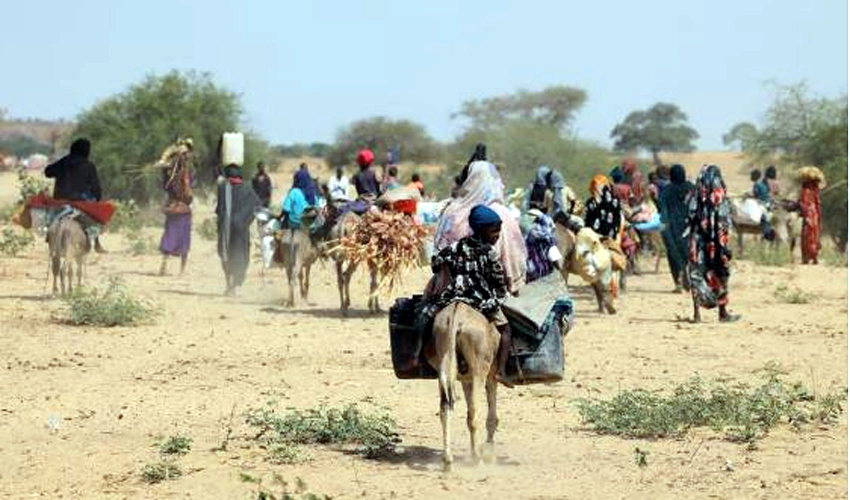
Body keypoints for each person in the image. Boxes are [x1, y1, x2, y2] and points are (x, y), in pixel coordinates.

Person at [424, 204, 515, 386]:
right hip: (480, 299)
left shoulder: (456, 246)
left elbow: (435, 263)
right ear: (482, 231)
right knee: (506, 330)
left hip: (452, 296)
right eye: (494, 232)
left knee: (424, 321)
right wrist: (499, 294)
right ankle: (502, 371)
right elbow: (498, 281)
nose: (497, 236)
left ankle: (420, 356)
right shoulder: (489, 252)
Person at [434, 160, 527, 293]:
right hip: (487, 293)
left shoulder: (451, 210)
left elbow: (438, 256)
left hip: (446, 288)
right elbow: (514, 259)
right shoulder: (502, 213)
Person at [685, 165, 740, 323]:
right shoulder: (719, 195)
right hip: (715, 243)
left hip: (697, 241)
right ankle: (722, 313)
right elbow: (722, 223)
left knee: (696, 274)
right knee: (721, 274)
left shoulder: (694, 195)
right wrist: (723, 248)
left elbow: (690, 216)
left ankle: (697, 315)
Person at [44, 138, 107, 253]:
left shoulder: (63, 161)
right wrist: (96, 199)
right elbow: (96, 187)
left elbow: (47, 172)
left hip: (60, 200)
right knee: (95, 218)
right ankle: (97, 242)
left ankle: (49, 235)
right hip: (81, 201)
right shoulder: (89, 165)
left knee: (51, 216)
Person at [216, 164, 262, 296]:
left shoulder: (223, 188)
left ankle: (228, 283)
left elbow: (219, 210)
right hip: (241, 230)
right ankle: (235, 285)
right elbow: (257, 205)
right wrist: (244, 220)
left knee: (226, 255)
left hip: (225, 230)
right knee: (240, 256)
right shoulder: (247, 188)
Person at [158, 139, 194, 275]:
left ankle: (164, 263)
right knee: (184, 238)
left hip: (171, 207)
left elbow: (165, 188)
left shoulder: (168, 175)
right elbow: (188, 194)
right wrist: (189, 198)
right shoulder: (184, 174)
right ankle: (182, 270)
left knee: (169, 234)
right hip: (183, 209)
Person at [657, 164, 694, 291]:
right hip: (689, 225)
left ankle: (678, 281)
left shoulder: (667, 190)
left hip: (671, 226)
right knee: (690, 252)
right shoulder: (691, 188)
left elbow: (661, 207)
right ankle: (691, 278)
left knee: (673, 252)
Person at [525, 209, 561, 282]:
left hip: (539, 254)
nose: (529, 218)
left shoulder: (536, 229)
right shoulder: (534, 228)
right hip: (538, 256)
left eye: (531, 216)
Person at [797, 167, 824, 265]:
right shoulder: (815, 190)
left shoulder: (805, 190)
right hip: (814, 215)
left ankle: (807, 257)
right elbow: (817, 204)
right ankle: (814, 256)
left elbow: (804, 204)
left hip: (809, 215)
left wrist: (804, 214)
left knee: (807, 236)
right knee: (814, 235)